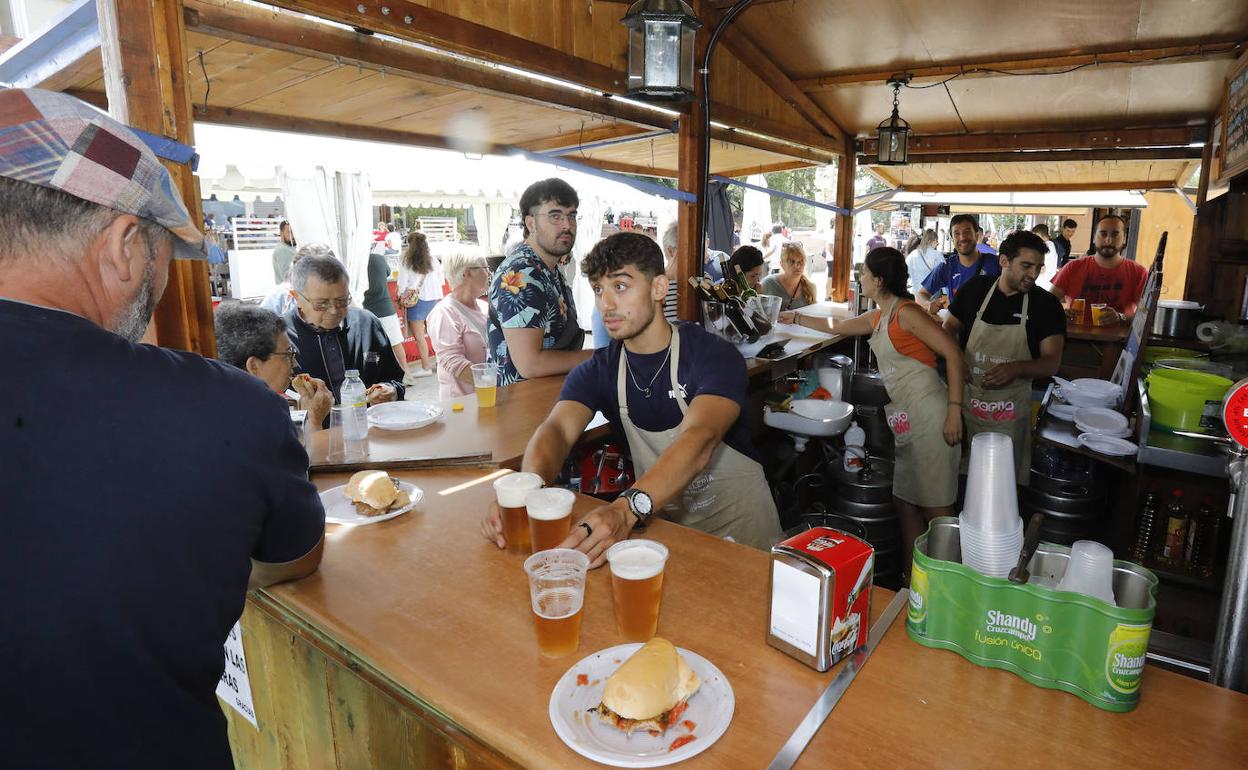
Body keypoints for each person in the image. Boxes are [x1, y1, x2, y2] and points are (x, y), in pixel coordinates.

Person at [0, 88, 324, 769]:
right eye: (163, 252)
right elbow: (294, 555)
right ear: (125, 246)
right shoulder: (227, 410)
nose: (162, 278)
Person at [479, 233, 782, 559]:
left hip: (744, 535)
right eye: (598, 289)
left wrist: (625, 511)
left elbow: (700, 439)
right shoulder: (599, 370)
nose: (606, 304)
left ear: (658, 288)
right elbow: (557, 429)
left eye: (620, 286)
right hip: (670, 535)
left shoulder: (713, 356)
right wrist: (529, 486)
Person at [798, 246, 964, 577]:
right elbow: (837, 325)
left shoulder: (907, 313)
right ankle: (911, 582)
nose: (860, 278)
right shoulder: (879, 317)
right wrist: (794, 318)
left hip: (932, 415)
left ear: (878, 280)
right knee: (905, 503)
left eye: (863, 273)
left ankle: (948, 585)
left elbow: (953, 353)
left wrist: (954, 411)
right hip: (907, 418)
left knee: (937, 511)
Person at [944, 231, 1067, 482]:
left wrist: (1015, 368)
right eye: (1026, 266)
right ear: (1004, 261)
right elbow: (947, 332)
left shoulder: (1046, 305)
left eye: (1038, 267)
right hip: (967, 408)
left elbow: (1051, 363)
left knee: (1002, 483)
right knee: (962, 479)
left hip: (1009, 415)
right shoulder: (975, 290)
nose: (1033, 274)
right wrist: (957, 360)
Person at [487, 178, 590, 387]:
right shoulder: (521, 274)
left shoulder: (546, 269)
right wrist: (601, 357)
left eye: (572, 216)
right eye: (555, 216)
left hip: (545, 397)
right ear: (531, 223)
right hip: (522, 402)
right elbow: (530, 364)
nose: (567, 225)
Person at [284, 250, 406, 404]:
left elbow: (394, 379)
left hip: (370, 418)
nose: (334, 311)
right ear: (296, 297)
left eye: (342, 301)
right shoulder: (279, 337)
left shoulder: (366, 324)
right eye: (321, 304)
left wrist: (391, 391)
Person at [215, 302, 333, 428]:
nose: (295, 364)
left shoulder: (231, 403)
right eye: (288, 354)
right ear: (254, 366)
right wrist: (313, 419)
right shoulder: (246, 420)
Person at [1051, 214, 1148, 321]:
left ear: (1124, 238)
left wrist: (1121, 317)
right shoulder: (1073, 267)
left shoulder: (1138, 273)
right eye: (1103, 234)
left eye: (1115, 234)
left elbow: (1146, 315)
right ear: (1094, 238)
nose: (1108, 240)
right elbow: (1047, 303)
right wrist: (1060, 314)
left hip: (1120, 333)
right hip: (1074, 332)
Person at [426, 249, 491, 399]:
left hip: (488, 397)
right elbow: (453, 361)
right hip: (463, 403)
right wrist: (491, 381)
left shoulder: (485, 307)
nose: (489, 273)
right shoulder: (444, 312)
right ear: (467, 273)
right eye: (486, 268)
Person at [918, 214, 1002, 312]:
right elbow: (921, 295)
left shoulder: (996, 264)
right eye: (957, 234)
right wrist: (929, 305)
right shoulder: (947, 267)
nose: (962, 238)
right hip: (955, 321)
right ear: (952, 239)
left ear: (976, 236)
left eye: (967, 232)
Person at [363, 234, 413, 382]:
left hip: (366, 310)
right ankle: (407, 374)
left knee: (370, 347)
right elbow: (388, 273)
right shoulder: (378, 258)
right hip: (386, 308)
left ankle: (374, 377)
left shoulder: (355, 265)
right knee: (396, 343)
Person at [396, 231, 440, 379]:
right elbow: (441, 280)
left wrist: (401, 294)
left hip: (417, 300)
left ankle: (426, 367)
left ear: (410, 244)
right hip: (433, 298)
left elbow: (402, 283)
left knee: (420, 336)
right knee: (435, 333)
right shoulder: (433, 260)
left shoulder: (407, 261)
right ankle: (440, 363)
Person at [762, 241, 816, 311]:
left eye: (801, 261)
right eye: (791, 262)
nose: (797, 266)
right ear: (782, 264)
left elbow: (813, 313)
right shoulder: (768, 283)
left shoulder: (811, 288)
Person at [905, 228, 942, 295]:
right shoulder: (937, 255)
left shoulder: (912, 255)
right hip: (932, 294)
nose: (937, 244)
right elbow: (943, 275)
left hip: (915, 294)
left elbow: (906, 274)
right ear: (932, 241)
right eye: (937, 242)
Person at [1030, 223, 1060, 290]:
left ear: (1038, 235)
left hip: (1041, 285)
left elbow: (1041, 268)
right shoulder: (1051, 245)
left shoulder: (1045, 247)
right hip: (1047, 285)